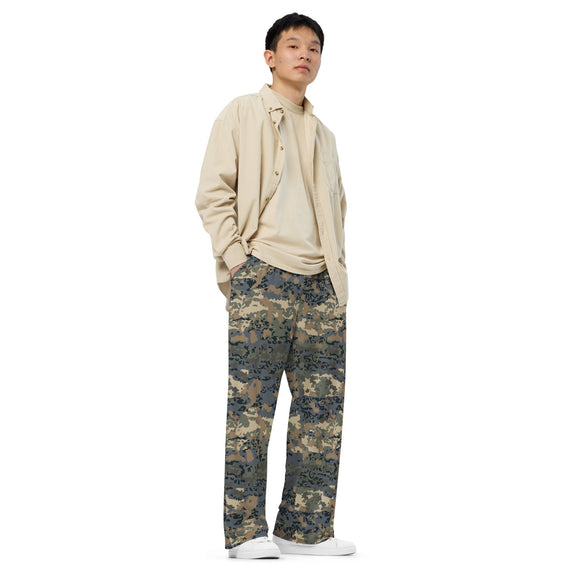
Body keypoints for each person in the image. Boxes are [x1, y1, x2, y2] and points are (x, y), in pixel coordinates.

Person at [196, 13, 354, 559]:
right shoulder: (241, 113)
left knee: (321, 415)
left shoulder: (325, 135)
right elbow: (212, 193)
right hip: (262, 275)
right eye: (293, 45)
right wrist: (239, 261)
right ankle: (245, 533)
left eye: (314, 48)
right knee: (251, 411)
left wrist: (336, 276)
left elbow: (337, 209)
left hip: (321, 286)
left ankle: (305, 530)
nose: (304, 55)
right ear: (270, 57)